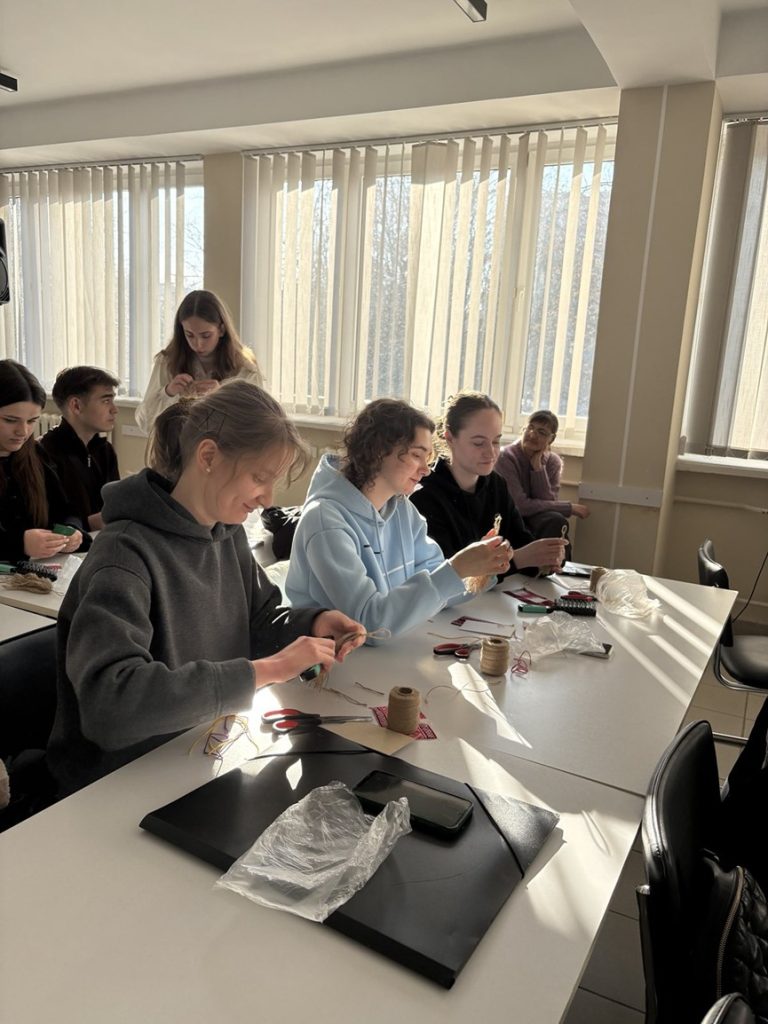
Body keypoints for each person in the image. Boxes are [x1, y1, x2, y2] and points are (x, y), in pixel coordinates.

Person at [47, 380, 364, 796]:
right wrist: (266, 670)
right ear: (208, 456)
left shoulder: (225, 533)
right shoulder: (124, 554)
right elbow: (111, 706)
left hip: (194, 754)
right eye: (260, 478)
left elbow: (258, 620)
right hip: (113, 785)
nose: (268, 499)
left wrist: (312, 624)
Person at [285, 398, 512, 638]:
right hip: (334, 655)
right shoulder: (325, 521)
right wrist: (456, 569)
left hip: (386, 652)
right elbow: (369, 627)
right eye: (416, 455)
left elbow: (438, 588)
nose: (426, 469)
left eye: (428, 458)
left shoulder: (402, 510)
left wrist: (480, 569)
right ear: (378, 451)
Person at [410, 392, 566, 576]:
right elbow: (444, 573)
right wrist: (519, 559)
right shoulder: (424, 494)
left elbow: (520, 540)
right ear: (450, 437)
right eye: (479, 443)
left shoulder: (496, 485)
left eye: (496, 441)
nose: (491, 453)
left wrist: (544, 559)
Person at [135, 289, 264, 434]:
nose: (198, 344)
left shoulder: (245, 368)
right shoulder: (167, 362)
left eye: (206, 335)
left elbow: (258, 426)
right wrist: (168, 392)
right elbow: (145, 424)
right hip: (177, 446)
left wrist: (223, 397)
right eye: (189, 335)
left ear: (221, 330)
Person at [0, 359, 88, 563]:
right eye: (10, 420)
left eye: (32, 421)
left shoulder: (36, 454)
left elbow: (66, 509)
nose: (23, 432)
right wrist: (19, 543)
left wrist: (71, 530)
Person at [39, 365, 120, 532]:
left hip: (105, 538)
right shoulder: (44, 453)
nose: (115, 409)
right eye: (106, 401)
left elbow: (114, 504)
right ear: (76, 406)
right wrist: (90, 523)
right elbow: (46, 523)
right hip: (70, 545)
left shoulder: (105, 450)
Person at [495, 410, 589, 551]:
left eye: (542, 432)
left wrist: (538, 468)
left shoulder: (553, 462)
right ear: (523, 429)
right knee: (554, 522)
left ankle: (553, 563)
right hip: (507, 518)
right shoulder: (505, 457)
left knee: (555, 520)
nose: (533, 434)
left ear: (551, 439)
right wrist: (569, 508)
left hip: (534, 518)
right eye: (530, 427)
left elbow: (548, 501)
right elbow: (520, 506)